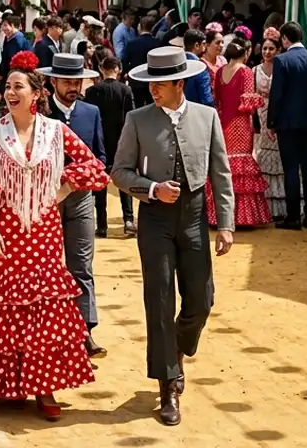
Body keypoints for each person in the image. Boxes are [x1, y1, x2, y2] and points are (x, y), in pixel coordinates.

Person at [0, 51, 108, 420]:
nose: (10, 92)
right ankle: (10, 383)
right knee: (5, 307)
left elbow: (93, 164)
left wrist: (60, 190)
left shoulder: (55, 132)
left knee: (43, 309)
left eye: (18, 87)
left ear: (36, 94)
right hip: (5, 234)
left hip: (43, 232)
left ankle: (45, 387)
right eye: (7, 86)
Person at [111, 47, 236, 427]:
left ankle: (178, 348)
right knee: (160, 298)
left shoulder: (207, 117)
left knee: (201, 298)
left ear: (179, 83)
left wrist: (226, 224)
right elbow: (119, 171)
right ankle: (168, 384)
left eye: (160, 84)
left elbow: (221, 173)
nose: (153, 90)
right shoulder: (137, 119)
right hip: (156, 220)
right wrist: (151, 189)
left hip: (195, 216)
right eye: (149, 83)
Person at [39, 53, 109, 361]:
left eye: (77, 81)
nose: (73, 87)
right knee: (48, 267)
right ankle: (52, 333)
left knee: (81, 264)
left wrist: (80, 178)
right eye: (67, 81)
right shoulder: (41, 113)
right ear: (53, 81)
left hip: (80, 198)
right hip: (46, 199)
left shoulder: (91, 112)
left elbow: (100, 156)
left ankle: (85, 331)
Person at [268, 22, 307, 230]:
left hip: (287, 122)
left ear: (285, 39)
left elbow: (276, 95)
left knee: (290, 169)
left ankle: (293, 216)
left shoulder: (281, 60)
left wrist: (271, 121)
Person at [209, 33, 270, 228]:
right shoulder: (245, 71)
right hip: (241, 123)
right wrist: (259, 101)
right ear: (245, 53)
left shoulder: (219, 72)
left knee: (224, 165)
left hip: (222, 122)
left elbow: (217, 98)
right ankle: (243, 217)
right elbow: (247, 103)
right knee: (242, 165)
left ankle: (219, 215)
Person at [84, 55, 135, 238]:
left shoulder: (92, 91)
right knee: (125, 180)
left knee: (99, 184)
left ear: (101, 70)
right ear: (118, 69)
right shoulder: (126, 90)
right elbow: (131, 117)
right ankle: (128, 220)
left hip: (99, 141)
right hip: (121, 140)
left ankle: (102, 225)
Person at [251, 29, 287, 219]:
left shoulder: (283, 68)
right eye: (265, 48)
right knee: (263, 154)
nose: (267, 52)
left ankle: (282, 205)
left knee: (281, 156)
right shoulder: (254, 70)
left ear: (278, 50)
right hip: (261, 115)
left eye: (271, 48)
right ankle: (266, 206)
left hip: (279, 114)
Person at [122, 16, 165, 108]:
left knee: (138, 105)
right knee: (152, 105)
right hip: (153, 80)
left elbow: (124, 61)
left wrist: (127, 73)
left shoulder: (131, 43)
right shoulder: (157, 43)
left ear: (140, 26)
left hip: (136, 79)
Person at [0, 14, 29, 95]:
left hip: (17, 73)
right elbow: (4, 57)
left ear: (12, 25)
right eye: (2, 25)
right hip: (8, 72)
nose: (3, 28)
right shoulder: (7, 37)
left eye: (5, 25)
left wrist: (3, 74)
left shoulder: (18, 40)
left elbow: (14, 60)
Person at [180, 30, 216, 107]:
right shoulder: (200, 67)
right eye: (203, 44)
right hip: (196, 111)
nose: (205, 47)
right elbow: (206, 99)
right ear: (196, 45)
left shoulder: (176, 63)